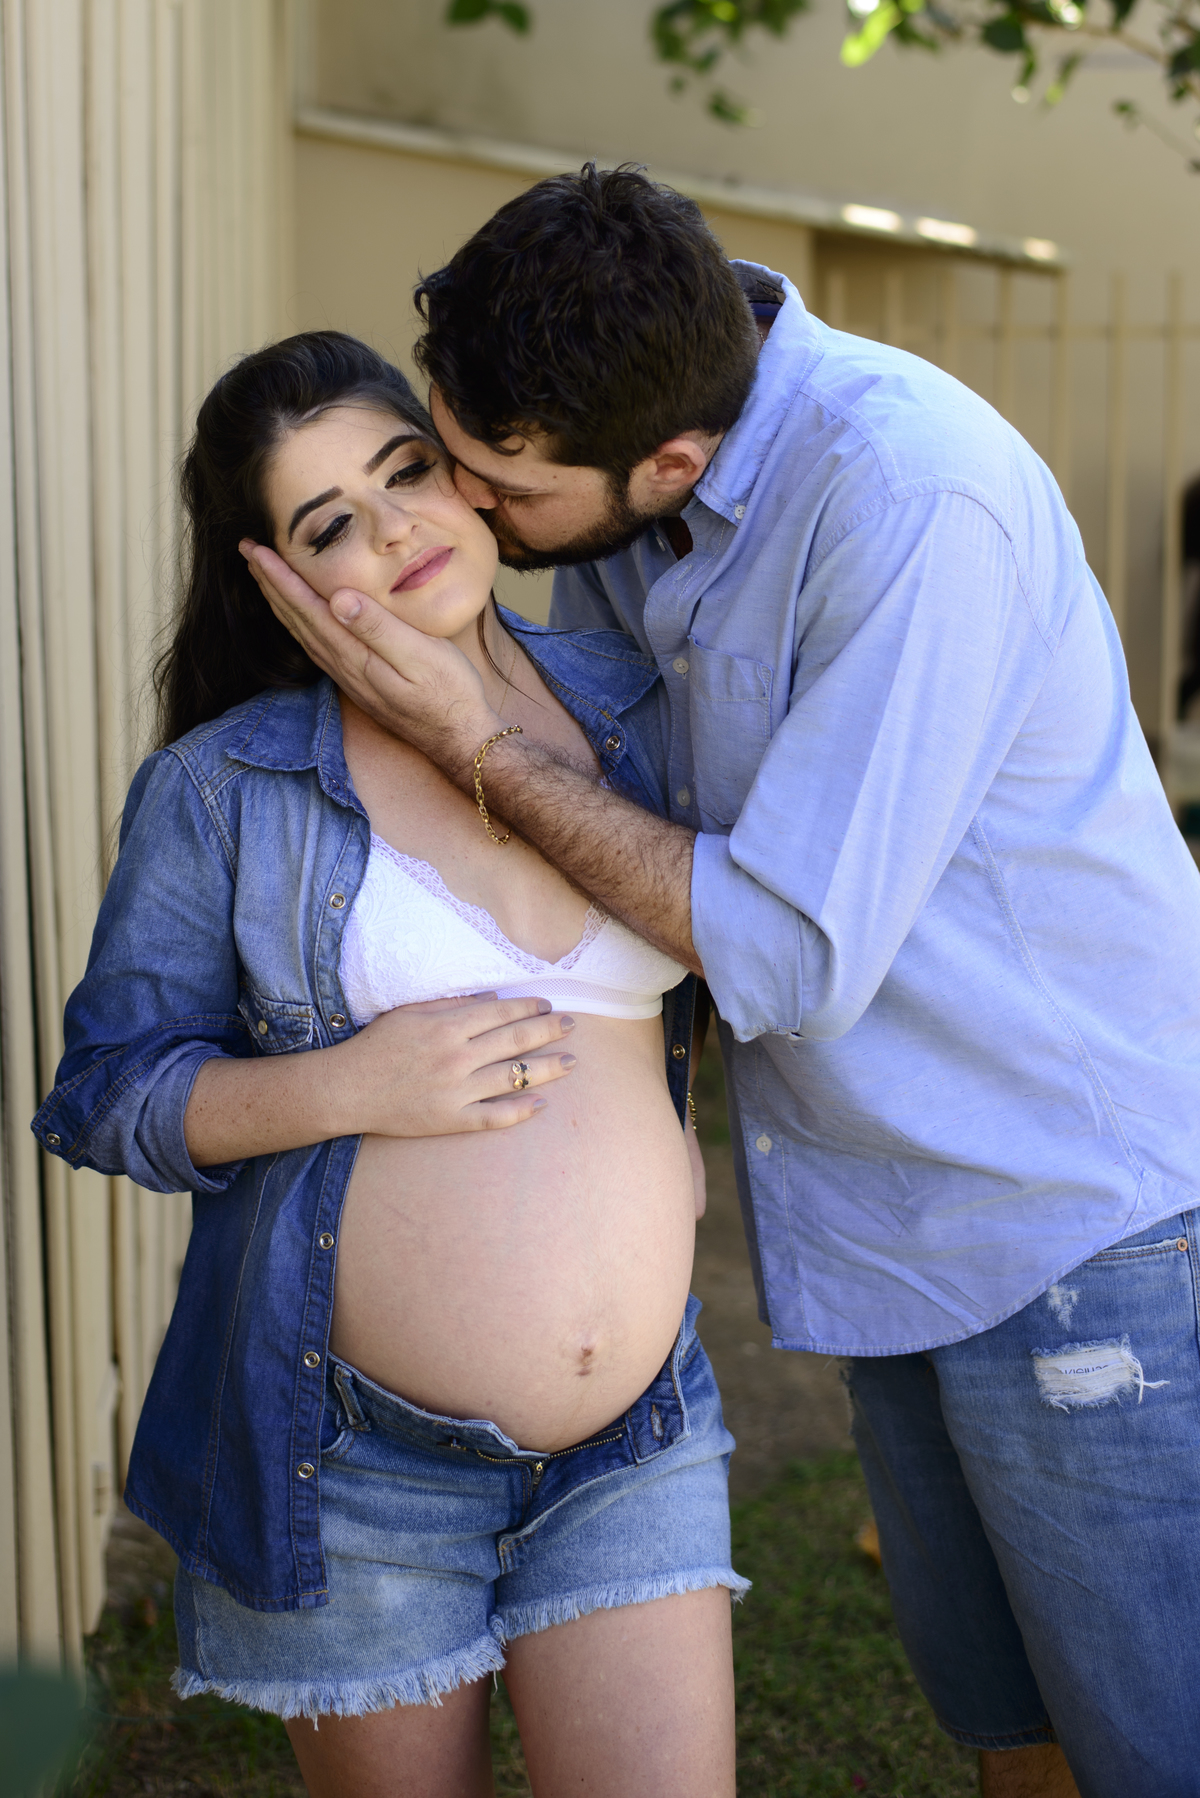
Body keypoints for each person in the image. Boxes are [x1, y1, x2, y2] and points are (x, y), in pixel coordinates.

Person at [248, 167, 1200, 1798]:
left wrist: (469, 741)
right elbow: (623, 821)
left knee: (1157, 1741)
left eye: (495, 485)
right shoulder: (629, 449)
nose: (463, 508)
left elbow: (782, 950)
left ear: (671, 463)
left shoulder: (914, 501)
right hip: (896, 1215)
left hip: (1073, 1214)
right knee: (1014, 1720)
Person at [32, 331, 747, 1798]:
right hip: (357, 1462)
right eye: (328, 524)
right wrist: (347, 1087)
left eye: (405, 471)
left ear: (465, 472)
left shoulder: (633, 697)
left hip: (638, 1431)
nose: (395, 528)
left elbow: (740, 932)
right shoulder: (227, 786)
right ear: (275, 578)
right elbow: (104, 1094)